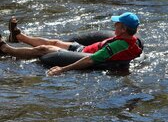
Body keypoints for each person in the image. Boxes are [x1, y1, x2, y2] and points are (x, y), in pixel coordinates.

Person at [0, 12, 143, 76]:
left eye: (117, 24)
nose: (114, 25)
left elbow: (90, 60)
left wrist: (62, 70)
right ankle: (19, 37)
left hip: (85, 54)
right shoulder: (130, 39)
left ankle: (5, 49)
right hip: (85, 48)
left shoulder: (116, 47)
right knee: (55, 42)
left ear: (124, 29)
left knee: (45, 49)